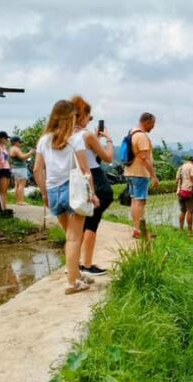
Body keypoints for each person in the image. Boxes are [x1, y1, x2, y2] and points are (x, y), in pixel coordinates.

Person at [33, 100, 99, 295]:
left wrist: (44, 193)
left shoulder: (43, 140)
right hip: (74, 191)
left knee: (70, 236)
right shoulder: (75, 139)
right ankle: (72, 282)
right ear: (70, 118)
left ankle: (76, 274)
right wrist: (92, 194)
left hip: (53, 191)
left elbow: (37, 169)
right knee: (73, 238)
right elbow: (86, 170)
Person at [70, 95, 114, 277]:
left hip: (76, 180)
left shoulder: (66, 135)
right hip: (95, 178)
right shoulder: (86, 135)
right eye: (89, 117)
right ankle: (86, 264)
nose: (90, 120)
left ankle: (74, 264)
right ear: (83, 115)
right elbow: (108, 158)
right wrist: (108, 141)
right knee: (91, 223)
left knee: (81, 223)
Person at [124, 113, 159, 239]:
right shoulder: (141, 136)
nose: (153, 127)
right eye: (153, 124)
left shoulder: (132, 132)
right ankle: (139, 229)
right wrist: (153, 175)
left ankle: (136, 228)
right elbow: (145, 158)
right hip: (139, 173)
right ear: (147, 122)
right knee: (140, 201)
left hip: (130, 172)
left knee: (135, 200)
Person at [176, 156, 193, 234]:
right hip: (189, 191)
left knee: (183, 211)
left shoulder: (181, 167)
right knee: (190, 211)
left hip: (180, 191)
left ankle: (181, 229)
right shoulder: (192, 167)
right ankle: (190, 231)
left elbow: (177, 180)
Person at [9, 136, 34, 205]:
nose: (21, 144)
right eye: (19, 142)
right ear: (15, 142)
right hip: (20, 169)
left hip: (15, 168)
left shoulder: (11, 149)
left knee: (17, 185)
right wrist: (30, 153)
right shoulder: (16, 149)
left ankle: (18, 200)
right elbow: (22, 157)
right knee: (21, 185)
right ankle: (21, 201)